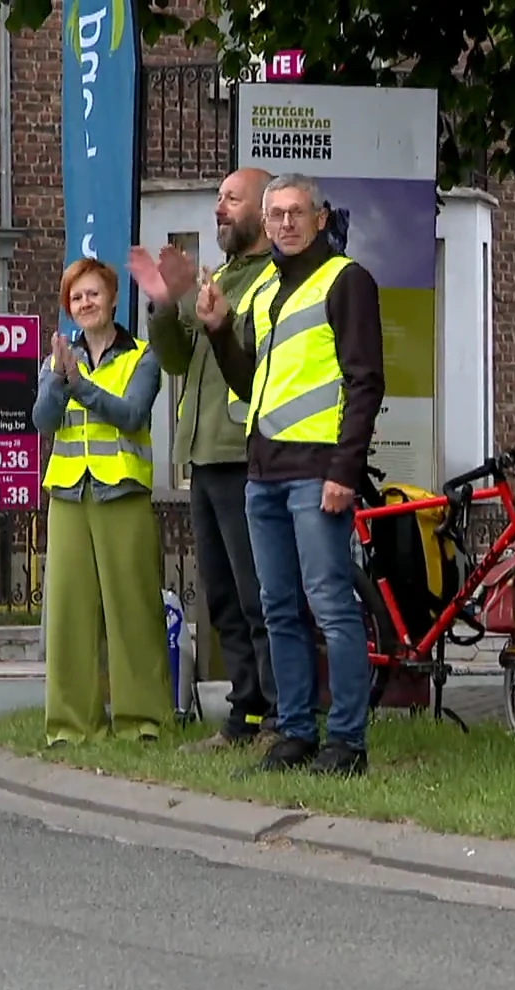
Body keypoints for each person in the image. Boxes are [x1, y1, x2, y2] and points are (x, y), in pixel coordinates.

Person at [194, 173, 387, 776]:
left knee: (329, 604)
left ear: (320, 217)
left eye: (296, 212)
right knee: (278, 607)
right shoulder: (265, 290)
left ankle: (347, 741)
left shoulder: (346, 280)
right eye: (275, 214)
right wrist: (222, 329)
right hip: (263, 472)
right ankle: (296, 732)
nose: (284, 223)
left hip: (316, 472)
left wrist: (344, 471)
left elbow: (365, 383)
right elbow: (251, 383)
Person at [129, 166, 280, 753]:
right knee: (221, 595)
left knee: (257, 592)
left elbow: (245, 347)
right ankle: (243, 714)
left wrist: (192, 294)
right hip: (203, 456)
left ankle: (275, 716)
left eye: (230, 199)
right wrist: (164, 305)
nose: (218, 208)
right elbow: (174, 360)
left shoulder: (271, 281)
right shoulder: (226, 276)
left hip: (245, 456)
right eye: (217, 198)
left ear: (263, 213)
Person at [32, 258, 175, 746]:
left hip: (122, 493)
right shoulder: (57, 358)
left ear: (114, 299)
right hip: (70, 493)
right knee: (69, 613)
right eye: (76, 298)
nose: (85, 303)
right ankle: (71, 726)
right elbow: (44, 422)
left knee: (132, 610)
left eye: (93, 294)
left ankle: (142, 722)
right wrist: (57, 382)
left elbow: (132, 413)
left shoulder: (142, 356)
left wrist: (80, 386)